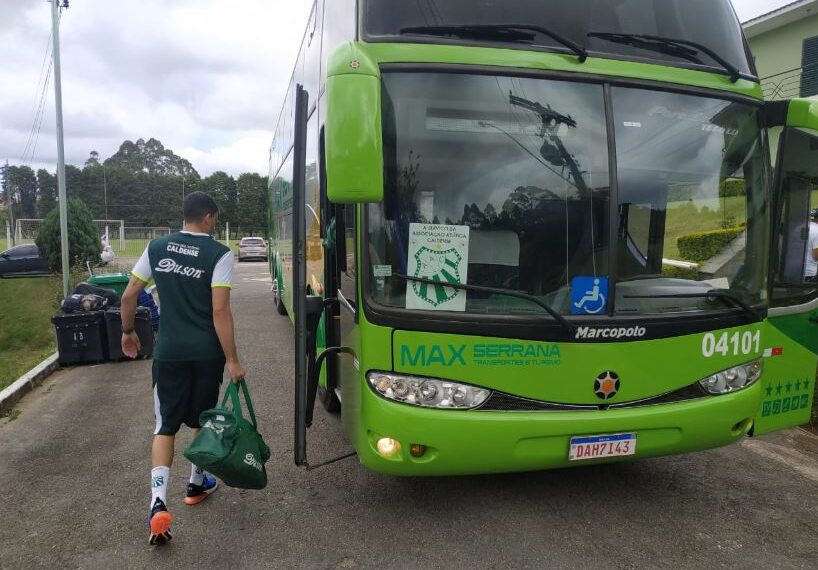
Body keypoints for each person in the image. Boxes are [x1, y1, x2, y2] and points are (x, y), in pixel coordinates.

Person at [119, 191, 246, 546]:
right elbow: (220, 311)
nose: (215, 224)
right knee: (203, 419)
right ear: (207, 217)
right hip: (207, 354)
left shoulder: (157, 248)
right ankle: (196, 482)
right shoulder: (219, 253)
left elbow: (130, 294)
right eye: (215, 219)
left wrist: (128, 332)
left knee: (165, 426)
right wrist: (233, 360)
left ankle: (158, 502)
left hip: (170, 353)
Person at [805, 208, 818, 282]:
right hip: (810, 274)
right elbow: (816, 256)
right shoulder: (817, 231)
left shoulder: (799, 227)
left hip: (795, 273)